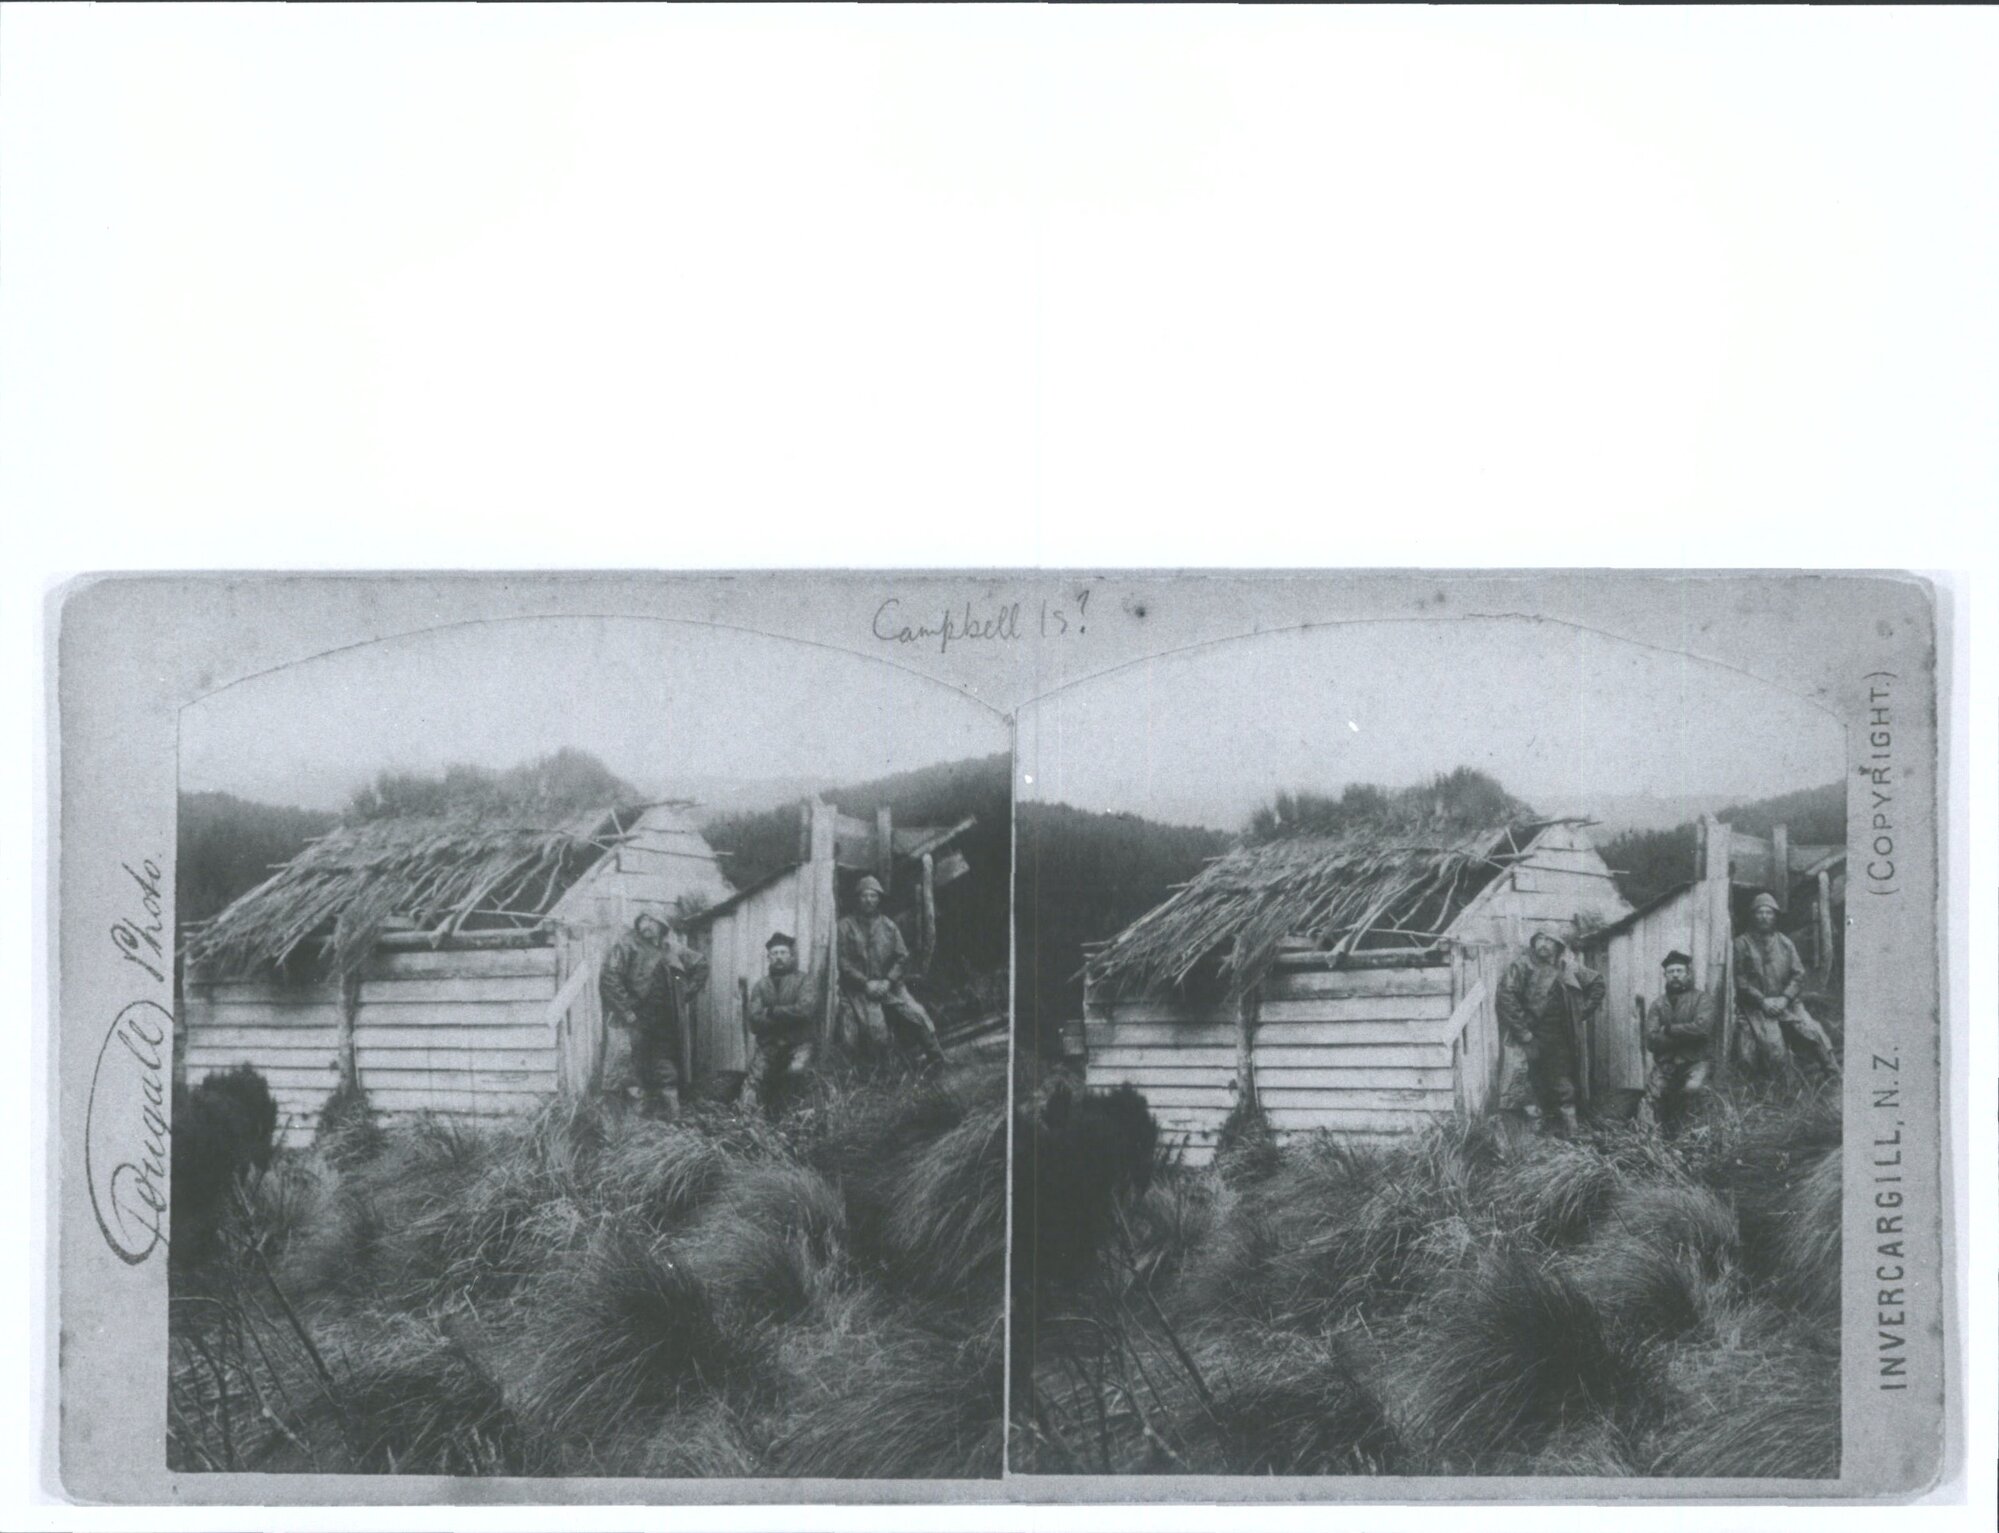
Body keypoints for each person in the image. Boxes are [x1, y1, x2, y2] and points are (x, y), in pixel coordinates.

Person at [1495, 930, 1606, 1138]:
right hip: (1529, 1037)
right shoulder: (1521, 966)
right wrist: (1524, 1034)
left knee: (1563, 1083)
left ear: (1558, 945)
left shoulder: (1567, 968)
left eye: (1549, 940)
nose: (1544, 944)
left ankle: (1572, 1132)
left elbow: (1597, 983)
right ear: (1534, 942)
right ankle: (1531, 1136)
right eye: (1540, 939)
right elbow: (1507, 998)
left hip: (1559, 1038)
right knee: (1526, 1084)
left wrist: (1581, 1012)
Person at [596, 911, 707, 1115]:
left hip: (663, 1021)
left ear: (661, 925)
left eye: (651, 921)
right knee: (628, 1066)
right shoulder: (627, 945)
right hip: (633, 1019)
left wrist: (687, 993)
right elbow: (609, 978)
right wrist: (626, 1012)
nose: (646, 925)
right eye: (643, 920)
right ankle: (628, 1120)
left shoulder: (671, 947)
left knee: (665, 1068)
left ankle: (671, 1115)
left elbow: (701, 964)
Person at [836, 874, 947, 1072]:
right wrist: (865, 983)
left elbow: (902, 956)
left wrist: (888, 980)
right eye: (864, 896)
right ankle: (885, 1075)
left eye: (873, 896)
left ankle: (938, 1059)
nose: (869, 900)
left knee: (917, 1014)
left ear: (879, 899)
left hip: (890, 985)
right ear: (857, 899)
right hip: (860, 989)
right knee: (875, 1030)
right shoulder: (845, 926)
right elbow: (842, 961)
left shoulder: (888, 926)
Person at [1733, 891, 1839, 1079]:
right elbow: (1740, 980)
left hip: (1788, 1003)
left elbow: (1798, 975)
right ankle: (1786, 1094)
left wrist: (1785, 998)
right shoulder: (1741, 943)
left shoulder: (1785, 943)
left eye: (1769, 912)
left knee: (1815, 1033)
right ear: (1753, 916)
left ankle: (1834, 1079)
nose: (1764, 917)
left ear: (1775, 916)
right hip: (1758, 1007)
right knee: (1774, 1048)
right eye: (1760, 912)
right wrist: (1762, 1001)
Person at [1635, 949, 1720, 1132]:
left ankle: (1694, 1138)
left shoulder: (1702, 1000)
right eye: (1671, 972)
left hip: (1696, 1061)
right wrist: (1685, 1037)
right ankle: (1655, 1140)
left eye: (1679, 971)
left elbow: (1702, 1029)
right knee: (1653, 1097)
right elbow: (1651, 1040)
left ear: (1688, 974)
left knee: (1693, 1089)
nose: (1675, 975)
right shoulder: (1658, 1004)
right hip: (1666, 1064)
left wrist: (1669, 1030)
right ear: (1665, 976)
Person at [744, 931, 818, 1110]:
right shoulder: (761, 986)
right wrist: (787, 1017)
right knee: (753, 1080)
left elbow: (805, 1010)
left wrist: (772, 1012)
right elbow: (754, 1020)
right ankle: (746, 1121)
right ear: (768, 958)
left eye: (783, 953)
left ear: (791, 957)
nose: (779, 957)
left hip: (799, 1043)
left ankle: (798, 1118)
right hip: (769, 1044)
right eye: (775, 953)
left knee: (797, 1071)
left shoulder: (804, 981)